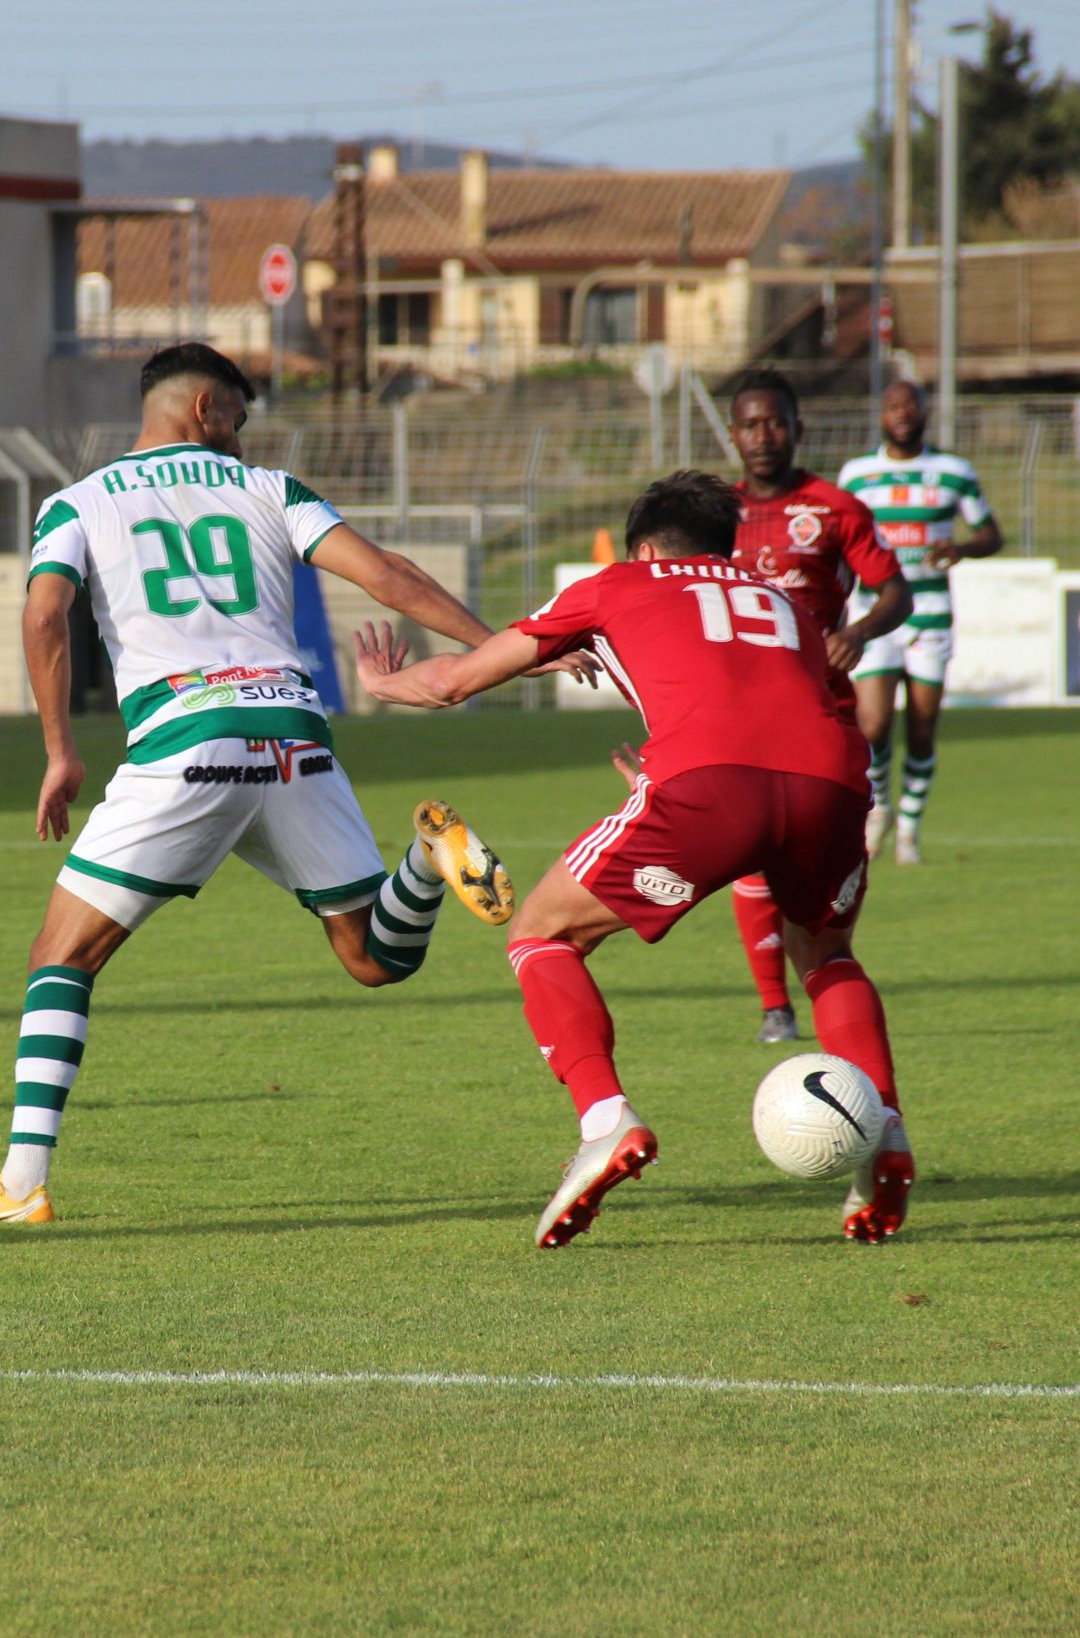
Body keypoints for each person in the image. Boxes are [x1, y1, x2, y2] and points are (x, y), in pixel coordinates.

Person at [0, 342, 555, 1225]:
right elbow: (389, 577)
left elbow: (43, 612)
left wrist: (61, 750)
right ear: (207, 409)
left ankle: (20, 1186)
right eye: (240, 422)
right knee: (375, 956)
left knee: (60, 957)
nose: (243, 442)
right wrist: (501, 650)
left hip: (188, 743)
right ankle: (423, 856)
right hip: (296, 738)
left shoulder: (77, 502)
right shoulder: (273, 493)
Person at [352, 469, 914, 1248]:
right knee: (826, 953)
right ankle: (884, 1128)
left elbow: (453, 680)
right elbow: (767, 702)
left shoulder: (621, 581)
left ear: (645, 546)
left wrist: (379, 682)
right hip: (832, 782)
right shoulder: (780, 598)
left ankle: (604, 1120)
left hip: (708, 790)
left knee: (542, 933)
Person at [724, 369, 907, 1043]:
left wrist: (857, 632)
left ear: (798, 429)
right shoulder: (716, 516)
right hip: (742, 718)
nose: (763, 435)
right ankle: (775, 1005)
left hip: (825, 714)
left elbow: (896, 591)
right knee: (751, 857)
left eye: (775, 422)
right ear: (734, 433)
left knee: (823, 873)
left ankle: (825, 974)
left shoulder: (834, 507)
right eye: (750, 423)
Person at [839, 380, 1001, 860]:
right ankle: (880, 810)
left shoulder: (953, 472)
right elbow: (840, 539)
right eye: (893, 405)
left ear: (926, 412)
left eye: (911, 404)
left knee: (923, 727)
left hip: (930, 612)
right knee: (872, 725)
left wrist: (962, 548)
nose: (903, 412)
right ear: (882, 415)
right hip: (874, 614)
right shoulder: (857, 474)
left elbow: (992, 534)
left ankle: (910, 826)